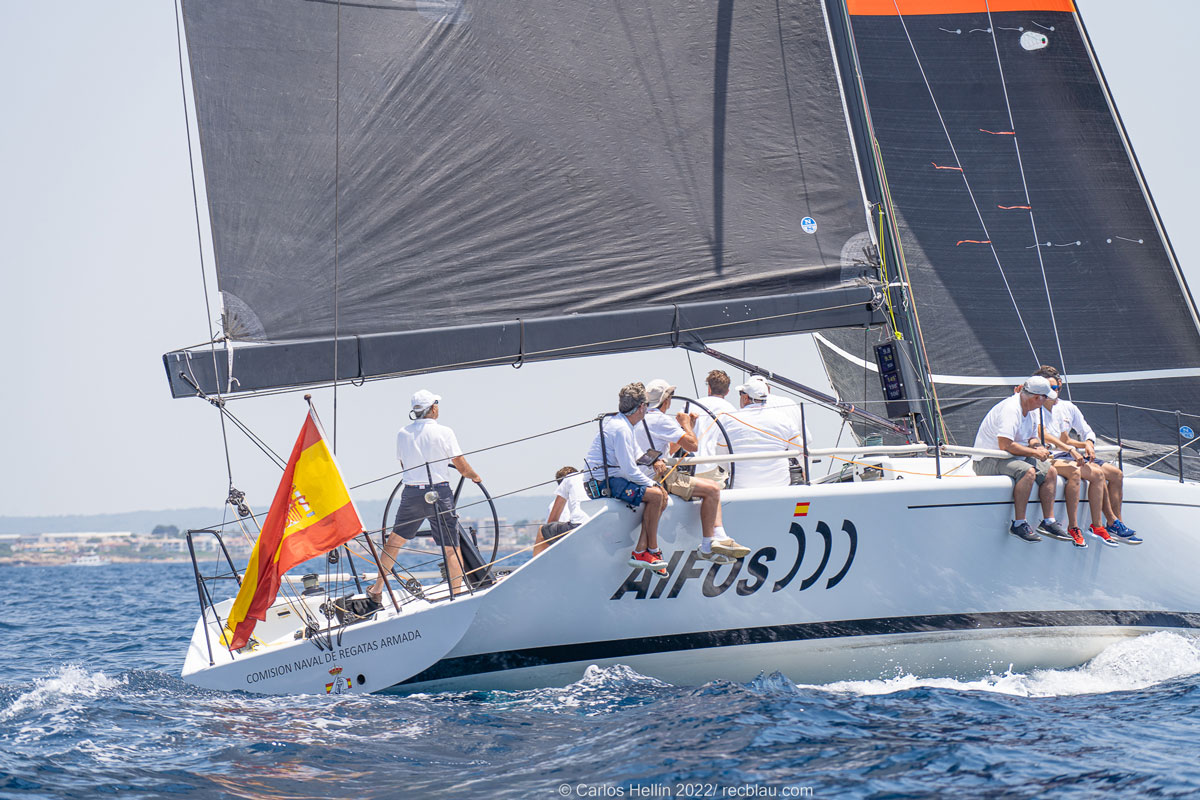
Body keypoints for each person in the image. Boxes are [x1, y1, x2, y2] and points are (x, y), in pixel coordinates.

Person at [369, 390, 482, 599]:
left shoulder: (403, 433)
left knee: (394, 541)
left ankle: (377, 589)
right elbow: (462, 468)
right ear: (433, 408)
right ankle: (455, 595)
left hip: (411, 494)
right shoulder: (445, 432)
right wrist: (475, 477)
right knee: (451, 547)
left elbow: (405, 465)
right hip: (440, 493)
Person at [634, 378, 749, 563]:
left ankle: (717, 537)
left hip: (642, 474)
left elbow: (671, 449)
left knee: (709, 487)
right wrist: (686, 424)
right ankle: (709, 544)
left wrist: (689, 428)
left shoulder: (641, 418)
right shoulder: (661, 419)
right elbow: (693, 446)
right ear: (666, 400)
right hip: (658, 476)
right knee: (712, 489)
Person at [1033, 366, 1142, 545]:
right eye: (1050, 388)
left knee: (1116, 474)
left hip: (1068, 453)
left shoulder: (1066, 408)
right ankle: (1102, 524)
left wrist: (1088, 444)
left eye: (1056, 387)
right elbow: (1044, 434)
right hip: (1055, 456)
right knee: (1097, 473)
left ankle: (1116, 523)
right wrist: (1071, 449)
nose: (1054, 392)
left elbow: (1082, 432)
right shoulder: (1035, 408)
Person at [583, 383, 670, 571]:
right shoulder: (621, 429)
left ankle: (641, 551)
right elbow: (630, 470)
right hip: (602, 482)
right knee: (656, 495)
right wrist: (655, 484)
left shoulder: (623, 423)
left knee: (658, 495)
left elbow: (638, 455)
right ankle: (651, 550)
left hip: (611, 477)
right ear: (641, 407)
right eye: (646, 405)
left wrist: (656, 460)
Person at [972, 376, 1064, 542]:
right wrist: (1035, 453)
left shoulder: (1031, 410)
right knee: (1027, 472)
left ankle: (1048, 521)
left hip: (1011, 456)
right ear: (1037, 398)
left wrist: (1037, 447)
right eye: (1045, 398)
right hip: (988, 460)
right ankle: (1019, 524)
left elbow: (1032, 438)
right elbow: (1004, 444)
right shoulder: (1011, 409)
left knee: (1050, 471)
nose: (1045, 402)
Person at [716, 379, 804, 488]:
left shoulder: (729, 420)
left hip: (741, 488)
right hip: (779, 486)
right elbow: (801, 451)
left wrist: (733, 468)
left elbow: (720, 456)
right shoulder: (783, 419)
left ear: (745, 397)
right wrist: (805, 472)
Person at [693, 370, 737, 485]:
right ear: (727, 391)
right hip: (713, 468)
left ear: (709, 388)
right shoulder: (732, 410)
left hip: (689, 466)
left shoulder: (691, 405)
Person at [535, 466, 589, 556]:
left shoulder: (569, 480)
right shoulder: (593, 478)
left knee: (543, 531)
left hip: (576, 531)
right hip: (600, 524)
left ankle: (537, 568)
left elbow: (551, 522)